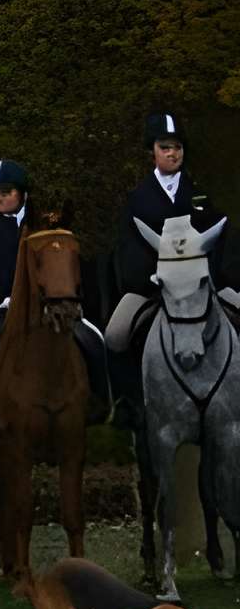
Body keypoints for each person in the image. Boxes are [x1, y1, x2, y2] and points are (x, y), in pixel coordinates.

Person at [103, 110, 224, 428]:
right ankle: (127, 403)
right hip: (152, 286)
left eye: (178, 147)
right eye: (166, 147)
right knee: (114, 335)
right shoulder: (136, 199)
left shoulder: (199, 193)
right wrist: (151, 277)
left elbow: (219, 239)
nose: (173, 154)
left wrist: (213, 276)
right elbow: (127, 249)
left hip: (199, 285)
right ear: (152, 152)